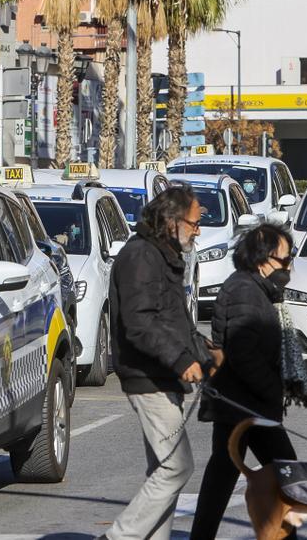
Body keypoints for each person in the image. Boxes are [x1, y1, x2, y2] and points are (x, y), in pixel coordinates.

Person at [104, 185, 218, 540]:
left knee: (163, 470)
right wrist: (182, 360)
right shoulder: (141, 256)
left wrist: (204, 352)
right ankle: (119, 537)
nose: (197, 231)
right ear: (171, 221)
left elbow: (175, 320)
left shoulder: (161, 254)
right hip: (148, 376)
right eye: (194, 223)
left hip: (161, 374)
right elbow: (140, 322)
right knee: (176, 467)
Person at [190, 223, 307, 539]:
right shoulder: (245, 291)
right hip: (244, 403)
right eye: (284, 260)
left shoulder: (255, 289)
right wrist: (272, 390)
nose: (288, 267)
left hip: (244, 403)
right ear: (262, 259)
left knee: (225, 474)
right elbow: (242, 353)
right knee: (286, 475)